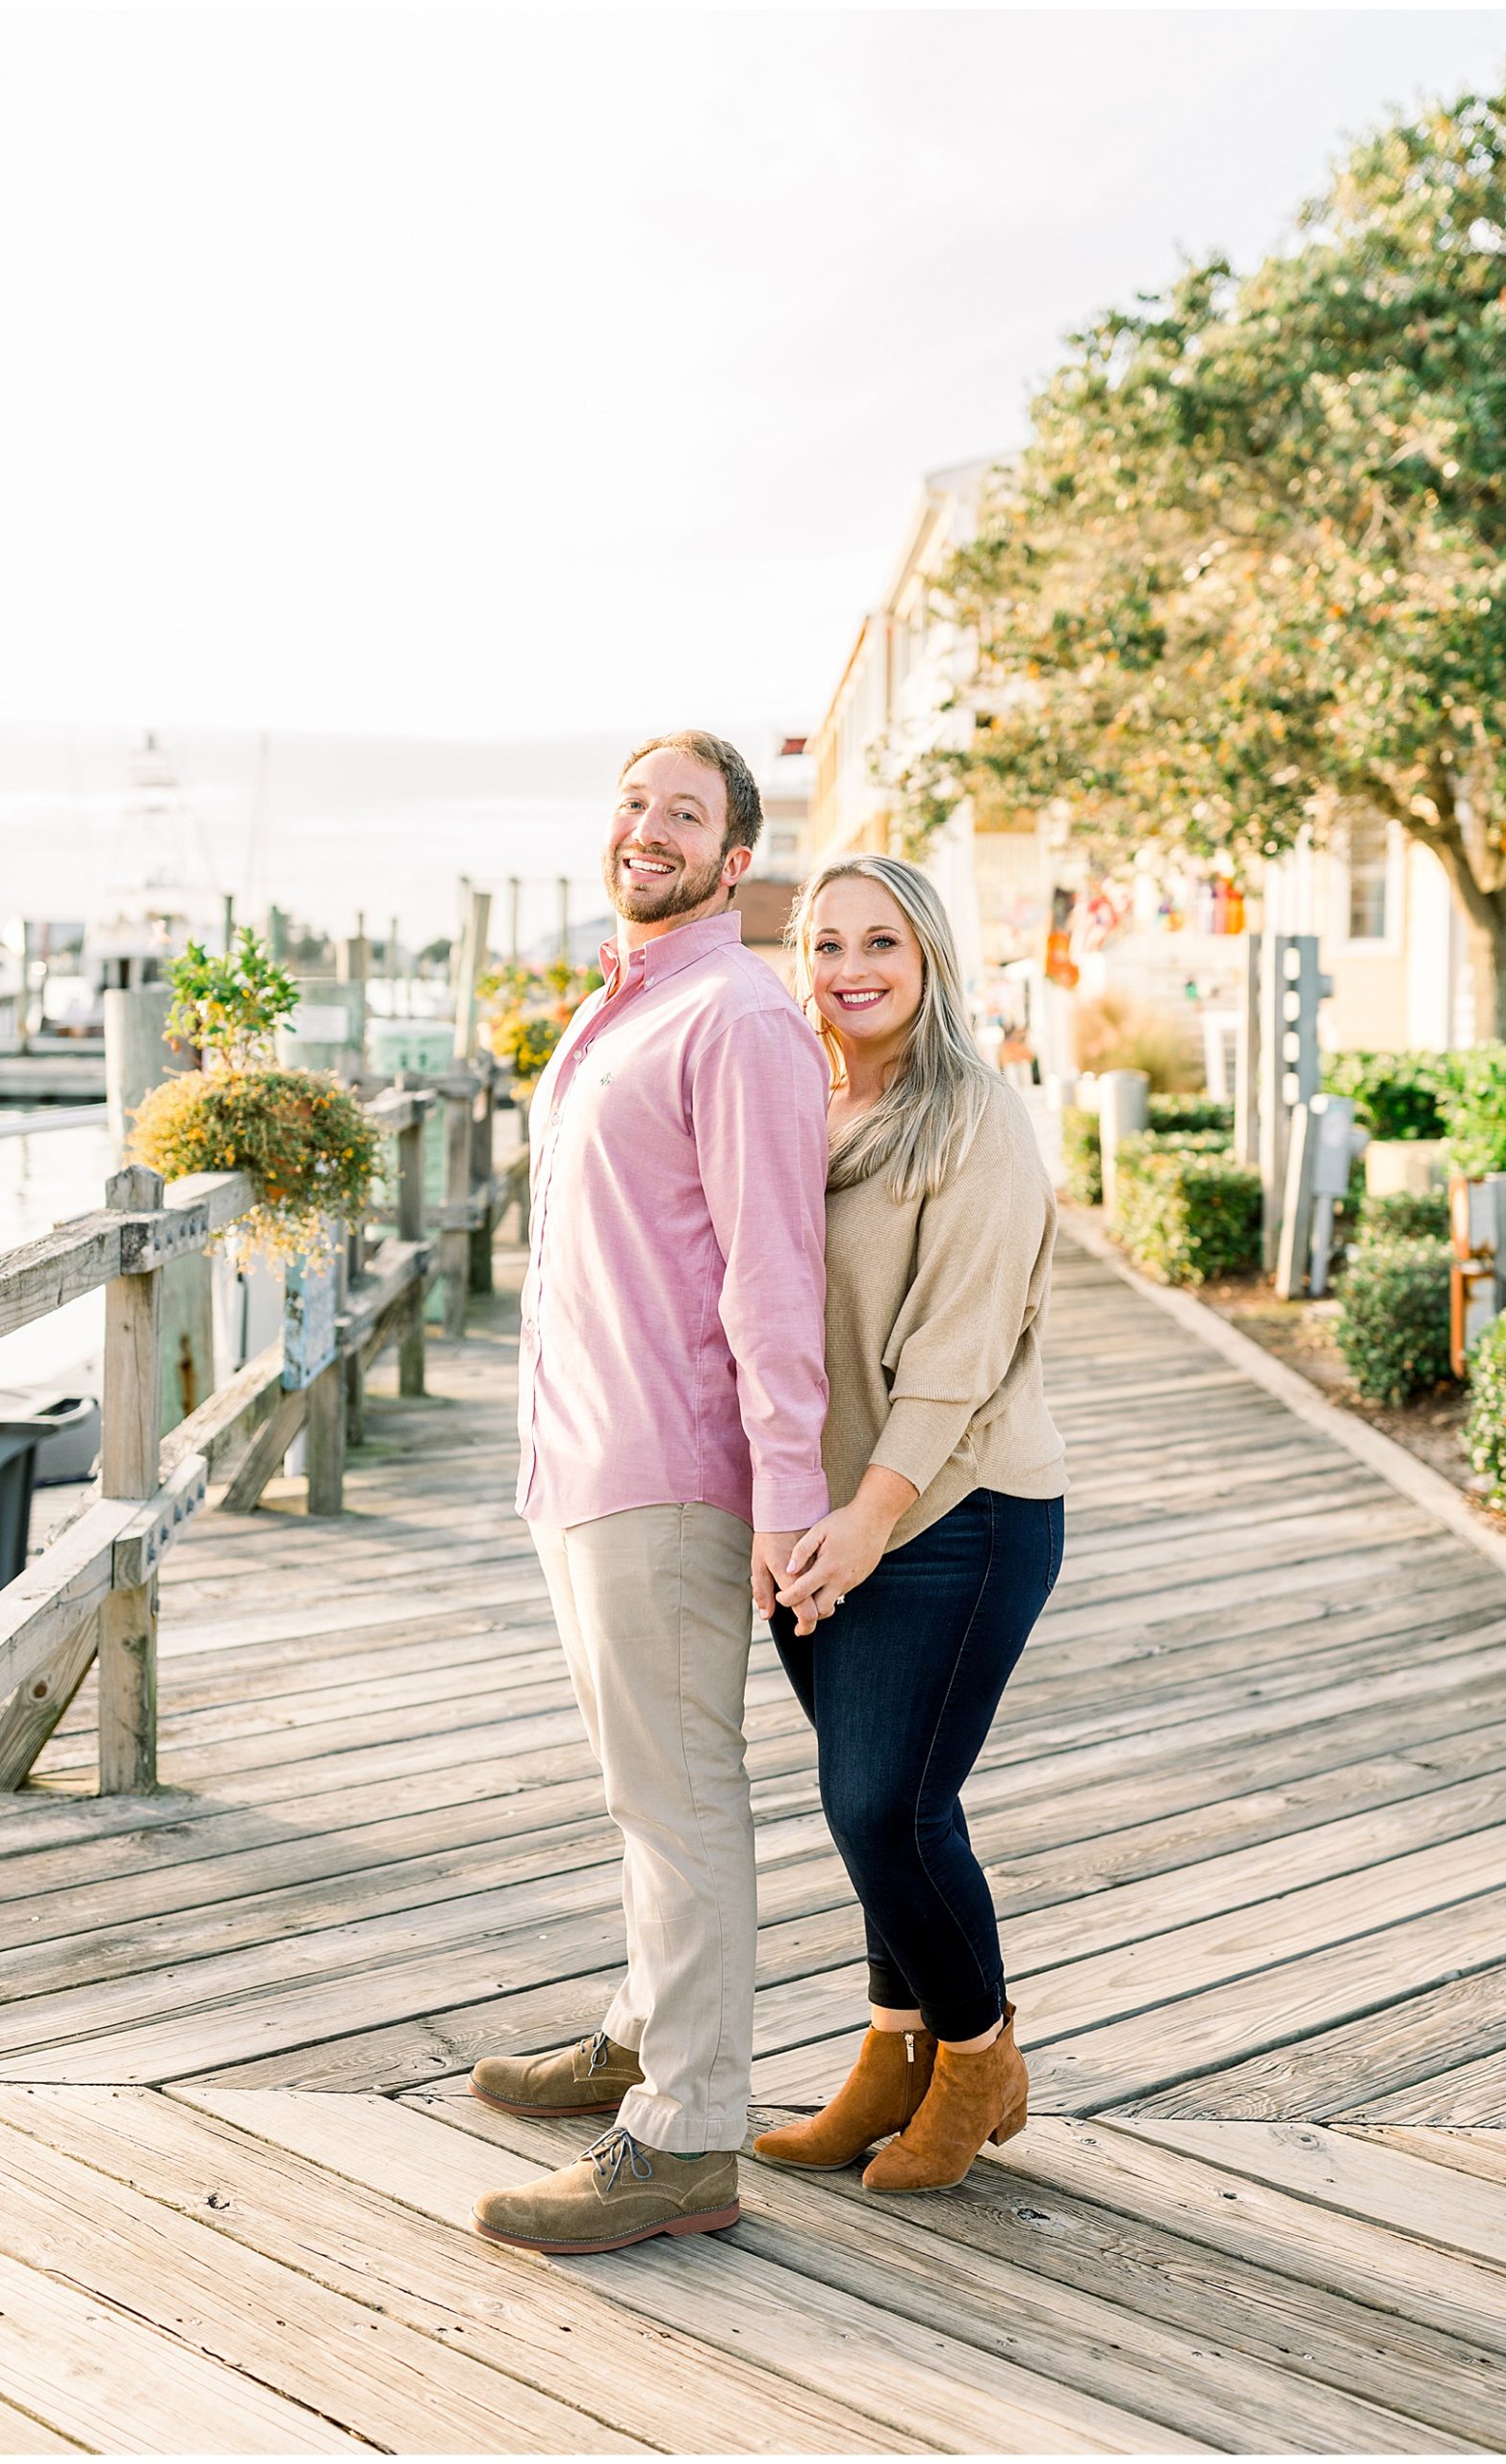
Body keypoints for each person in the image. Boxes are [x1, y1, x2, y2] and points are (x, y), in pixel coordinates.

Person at [468, 731, 830, 2256]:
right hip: (583, 1458)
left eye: (682, 812)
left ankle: (686, 2132)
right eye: (631, 803)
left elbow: (772, 1271)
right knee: (640, 1787)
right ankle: (641, 2028)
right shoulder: (630, 1000)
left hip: (672, 1467)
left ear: (734, 860)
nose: (647, 828)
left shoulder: (738, 1014)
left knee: (681, 1800)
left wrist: (786, 1489)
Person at [754, 853, 1067, 2194]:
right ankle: (890, 2056)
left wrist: (871, 1517)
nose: (850, 969)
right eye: (826, 946)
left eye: (879, 942)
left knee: (889, 1804)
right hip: (815, 1519)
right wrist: (780, 1515)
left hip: (958, 1508)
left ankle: (978, 2056)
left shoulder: (972, 1118)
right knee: (856, 1806)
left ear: (929, 955)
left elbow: (958, 1352)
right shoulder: (799, 1108)